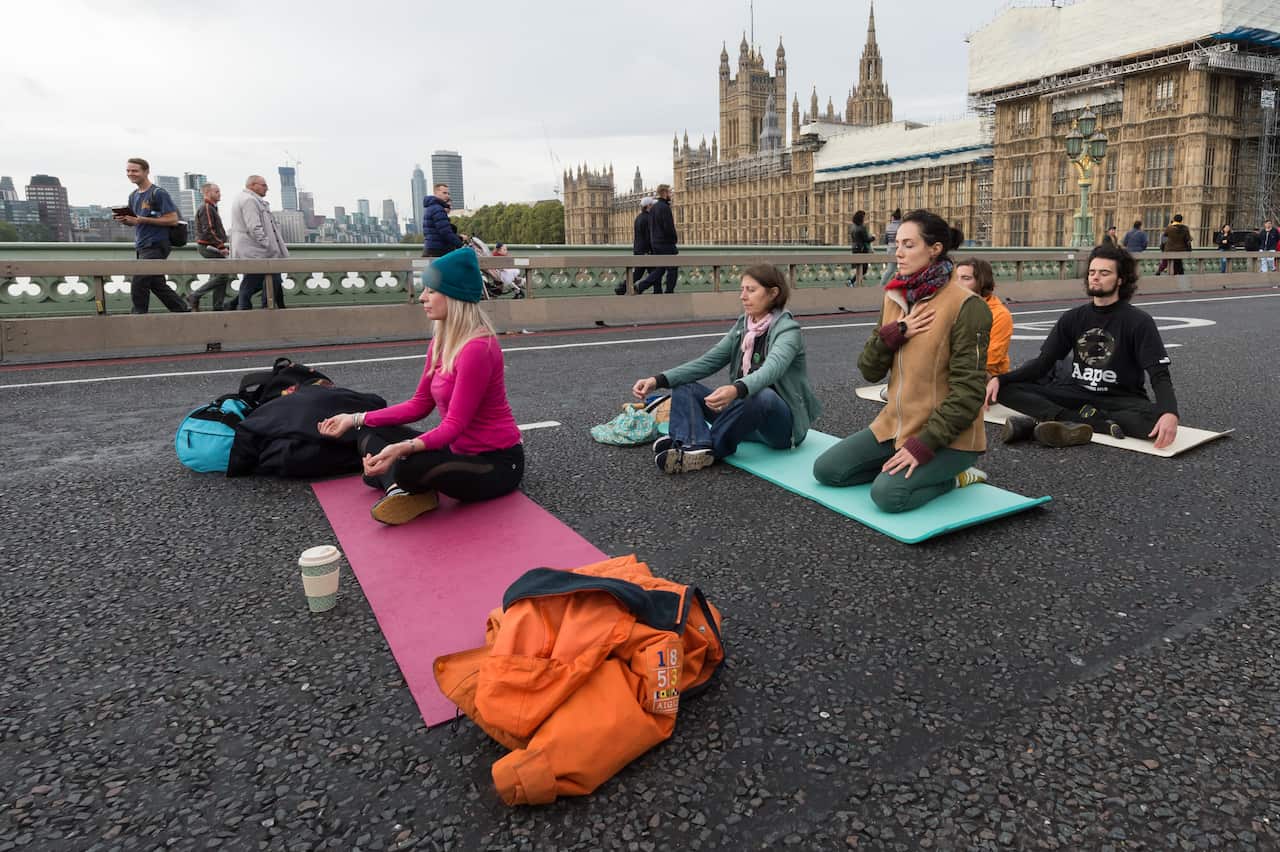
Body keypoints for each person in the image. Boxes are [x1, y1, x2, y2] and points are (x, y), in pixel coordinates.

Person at [317, 247, 524, 524]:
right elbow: (419, 405)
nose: (423, 298)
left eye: (431, 291)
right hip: (456, 450)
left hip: (496, 462)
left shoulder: (478, 348)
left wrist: (403, 448)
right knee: (369, 433)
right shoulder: (440, 342)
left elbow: (454, 426)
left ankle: (401, 485)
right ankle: (400, 491)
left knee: (406, 461)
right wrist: (353, 418)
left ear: (454, 296)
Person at [812, 210, 992, 513]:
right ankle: (901, 466)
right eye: (897, 244)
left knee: (889, 496)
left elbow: (969, 393)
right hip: (893, 426)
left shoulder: (967, 307)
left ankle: (957, 475)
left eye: (909, 245)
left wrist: (922, 446)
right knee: (828, 471)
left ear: (934, 249)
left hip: (947, 439)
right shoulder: (895, 297)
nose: (898, 253)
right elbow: (869, 371)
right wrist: (894, 333)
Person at [630, 263, 821, 473]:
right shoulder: (744, 326)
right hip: (742, 417)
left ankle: (703, 446)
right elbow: (708, 362)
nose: (743, 296)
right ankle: (694, 444)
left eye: (751, 290)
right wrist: (659, 380)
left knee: (762, 395)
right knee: (684, 387)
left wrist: (736, 390)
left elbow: (771, 370)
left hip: (780, 427)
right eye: (742, 290)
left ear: (773, 293)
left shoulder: (788, 330)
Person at [986, 243, 1180, 450]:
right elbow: (1042, 364)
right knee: (1006, 390)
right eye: (1092, 272)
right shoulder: (1073, 318)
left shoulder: (1139, 321)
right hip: (1075, 393)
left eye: (1104, 273)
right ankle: (1087, 421)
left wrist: (1170, 413)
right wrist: (1001, 379)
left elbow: (1159, 375)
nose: (1095, 277)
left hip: (1120, 398)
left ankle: (1065, 420)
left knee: (1155, 420)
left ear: (1120, 280)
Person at [114, 158, 189, 314]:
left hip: (156, 244)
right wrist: (126, 221)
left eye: (134, 170)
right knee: (157, 284)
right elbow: (137, 222)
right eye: (128, 171)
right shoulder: (133, 195)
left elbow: (173, 219)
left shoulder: (158, 193)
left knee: (139, 281)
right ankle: (184, 313)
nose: (130, 174)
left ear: (146, 171)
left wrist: (141, 219)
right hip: (142, 245)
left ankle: (138, 319)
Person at [229, 175, 288, 309]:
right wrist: (268, 245)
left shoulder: (249, 199)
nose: (267, 188)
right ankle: (245, 309)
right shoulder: (249, 200)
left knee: (271, 278)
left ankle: (270, 307)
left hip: (255, 249)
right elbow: (254, 227)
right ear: (252, 185)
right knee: (253, 282)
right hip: (255, 250)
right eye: (264, 185)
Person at [955, 257, 1011, 377]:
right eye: (955, 278)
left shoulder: (1000, 314)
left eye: (966, 278)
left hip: (985, 376)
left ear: (982, 281)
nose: (957, 283)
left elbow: (990, 359)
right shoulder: (950, 307)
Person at [187, 183, 235, 311]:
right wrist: (220, 246)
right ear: (207, 193)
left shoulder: (212, 207)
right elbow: (209, 230)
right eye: (217, 191)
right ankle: (194, 295)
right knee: (223, 276)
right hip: (208, 247)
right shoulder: (207, 208)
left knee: (218, 276)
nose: (220, 194)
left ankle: (218, 306)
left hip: (211, 246)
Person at [634, 185, 678, 295]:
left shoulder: (654, 208)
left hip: (656, 244)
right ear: (664, 193)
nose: (671, 194)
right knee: (672, 268)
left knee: (660, 269)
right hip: (666, 243)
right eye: (670, 192)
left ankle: (640, 286)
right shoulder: (664, 207)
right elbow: (668, 227)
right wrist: (674, 239)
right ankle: (669, 292)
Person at [618, 197, 653, 295]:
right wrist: (649, 251)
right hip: (645, 251)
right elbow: (648, 237)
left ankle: (622, 288)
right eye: (652, 205)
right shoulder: (648, 218)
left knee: (638, 274)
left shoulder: (638, 217)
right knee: (655, 273)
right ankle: (644, 289)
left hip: (638, 249)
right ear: (648, 206)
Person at [422, 183, 463, 259]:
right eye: (444, 193)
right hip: (438, 251)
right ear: (436, 193)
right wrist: (460, 245)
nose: (447, 195)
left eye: (448, 193)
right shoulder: (438, 209)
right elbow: (446, 232)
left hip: (431, 249)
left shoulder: (430, 208)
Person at [849, 210, 873, 285]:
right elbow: (866, 239)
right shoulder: (862, 227)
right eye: (863, 217)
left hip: (854, 249)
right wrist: (873, 238)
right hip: (861, 249)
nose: (864, 219)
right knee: (864, 269)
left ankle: (857, 283)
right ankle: (851, 281)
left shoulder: (853, 227)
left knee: (859, 267)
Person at [879, 208, 903, 286]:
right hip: (899, 249)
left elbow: (885, 240)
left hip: (890, 249)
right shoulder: (901, 226)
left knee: (890, 269)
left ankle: (882, 284)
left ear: (893, 218)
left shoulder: (889, 226)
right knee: (903, 268)